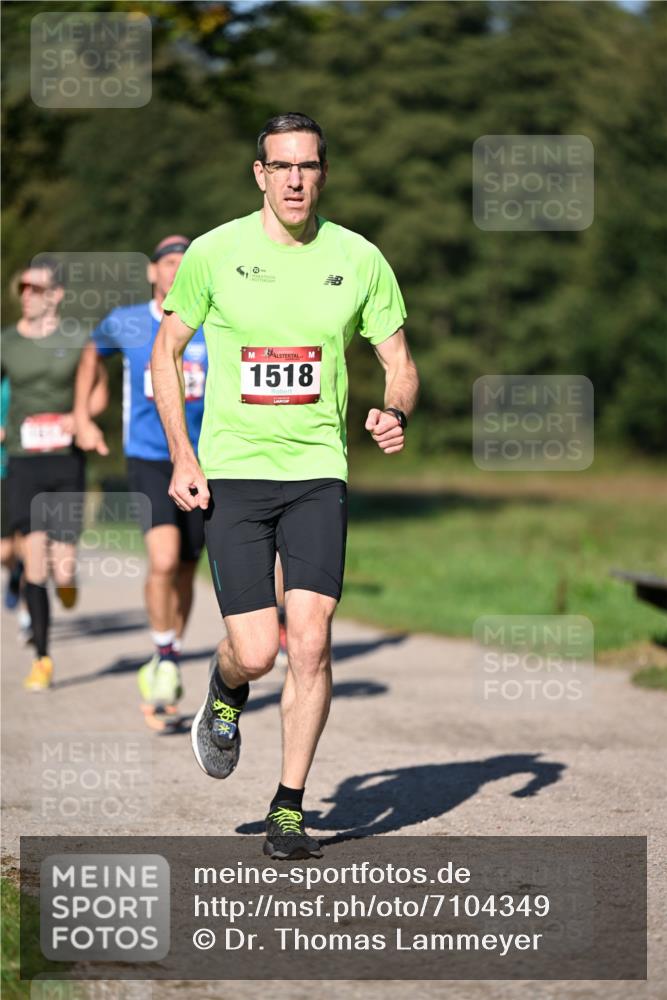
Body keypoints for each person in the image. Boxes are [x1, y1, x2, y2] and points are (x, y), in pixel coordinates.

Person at [152, 112, 419, 858]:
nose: (296, 179)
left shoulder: (359, 257)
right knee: (258, 650)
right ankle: (225, 687)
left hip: (315, 474)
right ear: (259, 174)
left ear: (322, 173)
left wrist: (395, 410)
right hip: (234, 471)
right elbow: (164, 354)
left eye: (309, 166)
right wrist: (182, 454)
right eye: (282, 166)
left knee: (310, 643)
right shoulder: (213, 253)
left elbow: (399, 361)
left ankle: (288, 805)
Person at [74, 236, 208, 730]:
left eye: (185, 264)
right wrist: (83, 415)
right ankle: (164, 654)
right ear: (153, 272)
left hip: (204, 461)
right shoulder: (128, 321)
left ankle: (169, 656)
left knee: (188, 570)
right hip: (150, 459)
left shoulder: (212, 321)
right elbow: (92, 352)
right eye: (169, 263)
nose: (176, 271)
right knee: (164, 558)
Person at [1, 257, 107, 690]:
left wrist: (79, 418)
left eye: (38, 288)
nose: (29, 295)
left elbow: (98, 390)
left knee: (62, 568)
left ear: (57, 295)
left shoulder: (78, 339)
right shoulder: (8, 342)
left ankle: (68, 578)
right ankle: (43, 658)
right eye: (24, 288)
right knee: (35, 563)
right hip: (24, 459)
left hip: (65, 460)